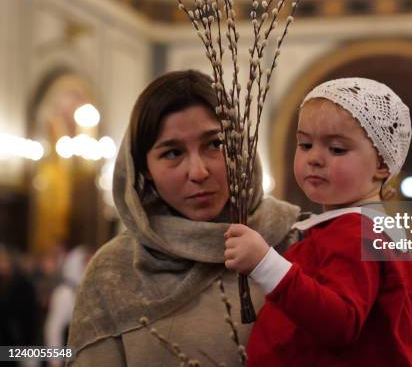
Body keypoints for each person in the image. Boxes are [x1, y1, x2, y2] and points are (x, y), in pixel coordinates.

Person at [67, 70, 301, 366]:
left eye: (215, 144)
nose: (198, 172)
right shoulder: (113, 272)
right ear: (144, 169)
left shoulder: (293, 240)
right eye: (173, 153)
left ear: (240, 148)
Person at [224, 78, 412, 366]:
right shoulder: (352, 228)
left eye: (336, 149)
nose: (314, 159)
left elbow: (340, 322)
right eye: (305, 144)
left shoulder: (357, 232)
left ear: (382, 164)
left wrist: (264, 264)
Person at [44, 245, 91, 367]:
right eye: (85, 262)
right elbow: (53, 330)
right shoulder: (64, 293)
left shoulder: (85, 291)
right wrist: (55, 361)